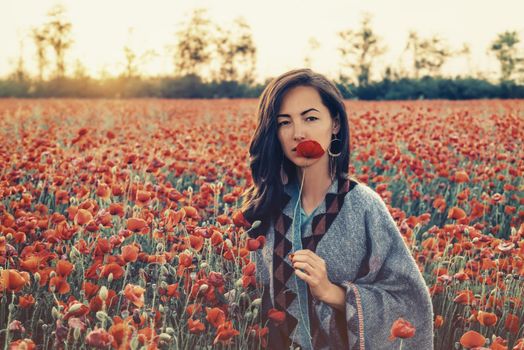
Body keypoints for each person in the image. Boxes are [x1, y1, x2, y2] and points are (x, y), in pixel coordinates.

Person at [239, 68, 434, 350]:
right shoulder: (263, 208)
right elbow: (246, 301)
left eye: (311, 118)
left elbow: (410, 302)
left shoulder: (362, 206)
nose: (298, 133)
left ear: (335, 124)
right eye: (284, 122)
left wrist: (333, 292)